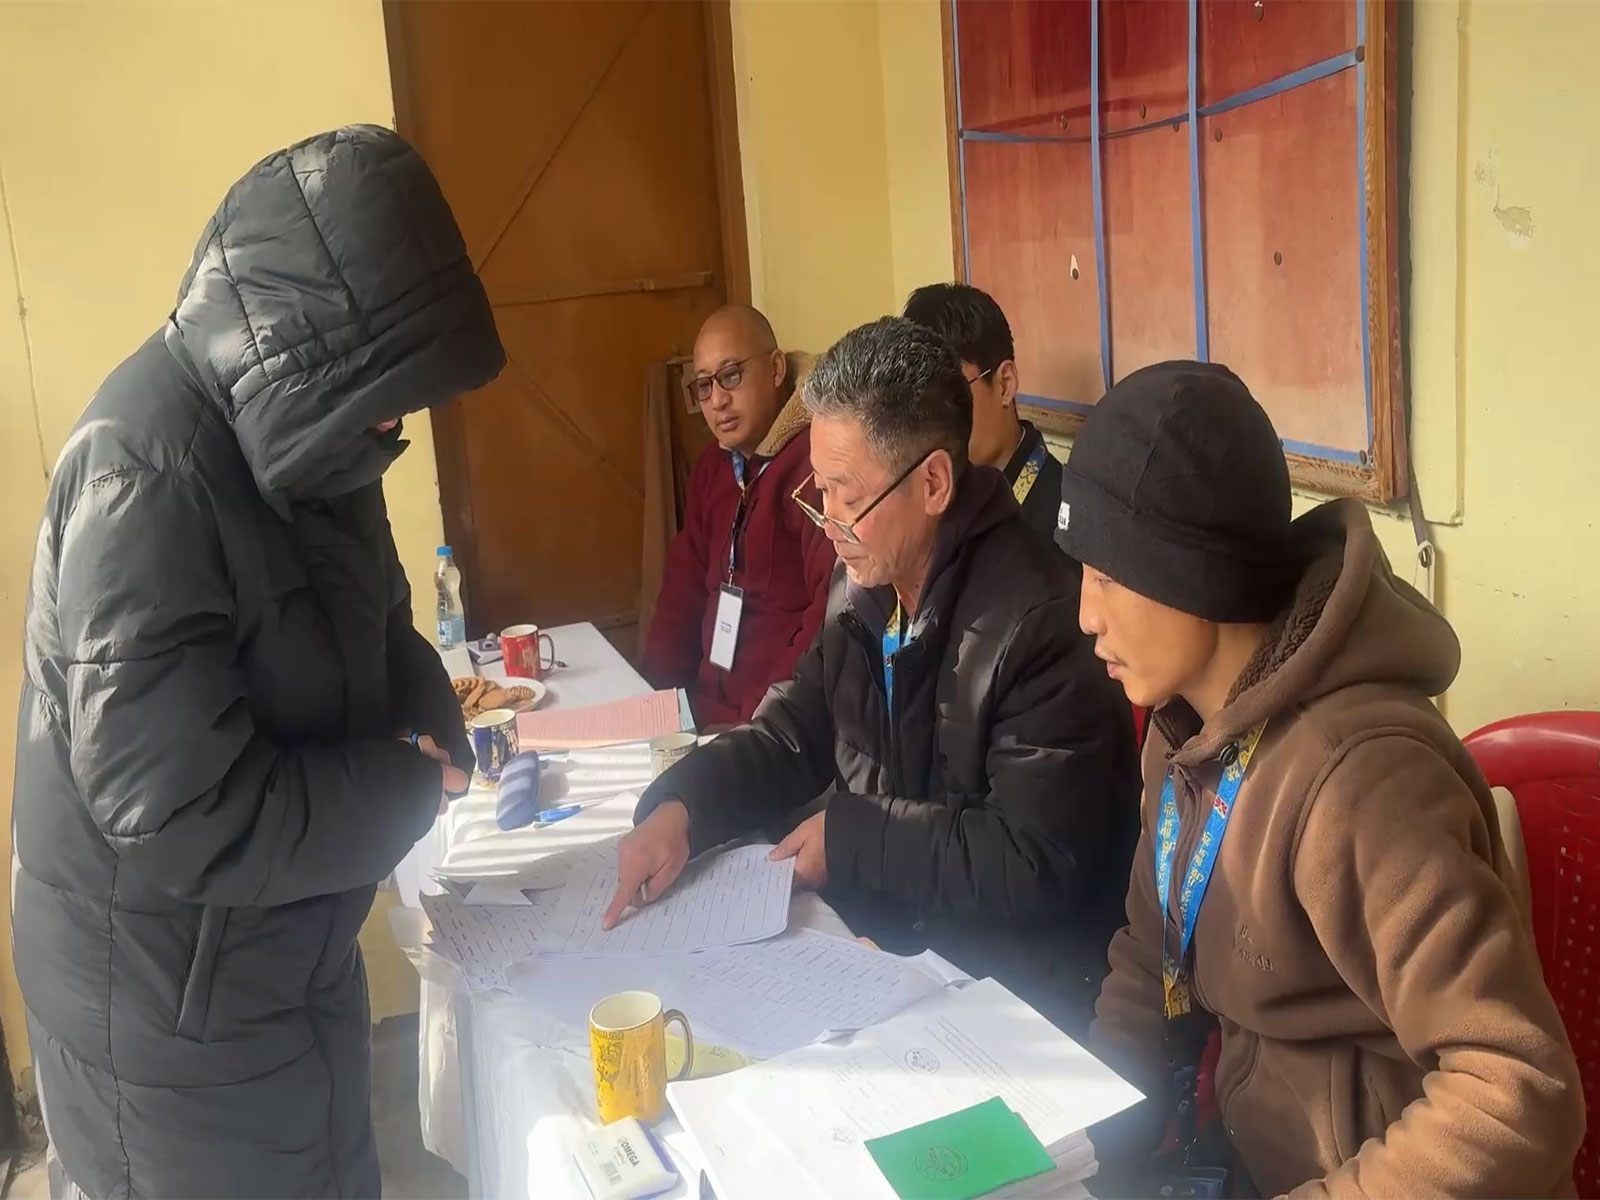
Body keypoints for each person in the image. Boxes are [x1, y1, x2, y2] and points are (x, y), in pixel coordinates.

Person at [12, 126, 505, 1199]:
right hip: (163, 1016)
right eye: (393, 385)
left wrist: (432, 711)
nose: (402, 417)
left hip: (273, 956)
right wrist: (408, 788)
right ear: (313, 344)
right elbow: (180, 808)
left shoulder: (315, 432)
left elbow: (373, 624)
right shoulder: (140, 471)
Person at [1061, 362, 1584, 1197]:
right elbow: (1142, 959)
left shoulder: (1362, 783)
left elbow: (1517, 1092)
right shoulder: (1184, 733)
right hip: (1247, 1160)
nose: (1086, 615)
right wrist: (1078, 1159)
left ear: (1194, 577)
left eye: (1109, 577)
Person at [611, 316, 1140, 1035]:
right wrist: (681, 807)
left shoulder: (1039, 621)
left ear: (932, 482)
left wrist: (853, 838)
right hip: (889, 948)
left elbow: (1031, 858)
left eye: (846, 495)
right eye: (818, 493)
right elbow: (794, 729)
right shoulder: (866, 579)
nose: (828, 522)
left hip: (1010, 997)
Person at [640, 305, 836, 727]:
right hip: (700, 713)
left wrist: (757, 725)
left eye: (731, 376)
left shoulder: (816, 465)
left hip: (768, 728)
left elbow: (827, 617)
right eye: (704, 386)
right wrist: (654, 702)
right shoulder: (715, 466)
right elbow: (683, 589)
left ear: (776, 368)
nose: (718, 401)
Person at [902, 283, 1062, 546]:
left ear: (1005, 384)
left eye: (952, 393)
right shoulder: (927, 498)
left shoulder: (1066, 521)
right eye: (918, 398)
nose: (931, 420)